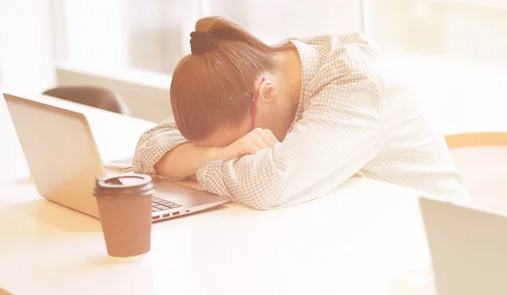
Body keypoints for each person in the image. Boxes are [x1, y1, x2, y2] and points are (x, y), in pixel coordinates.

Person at [131, 16, 469, 210]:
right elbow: (150, 147)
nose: (239, 146)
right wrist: (223, 151)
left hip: (434, 252)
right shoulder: (254, 72)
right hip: (346, 233)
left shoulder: (357, 82)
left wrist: (192, 163)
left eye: (239, 139)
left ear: (266, 94)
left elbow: (269, 184)